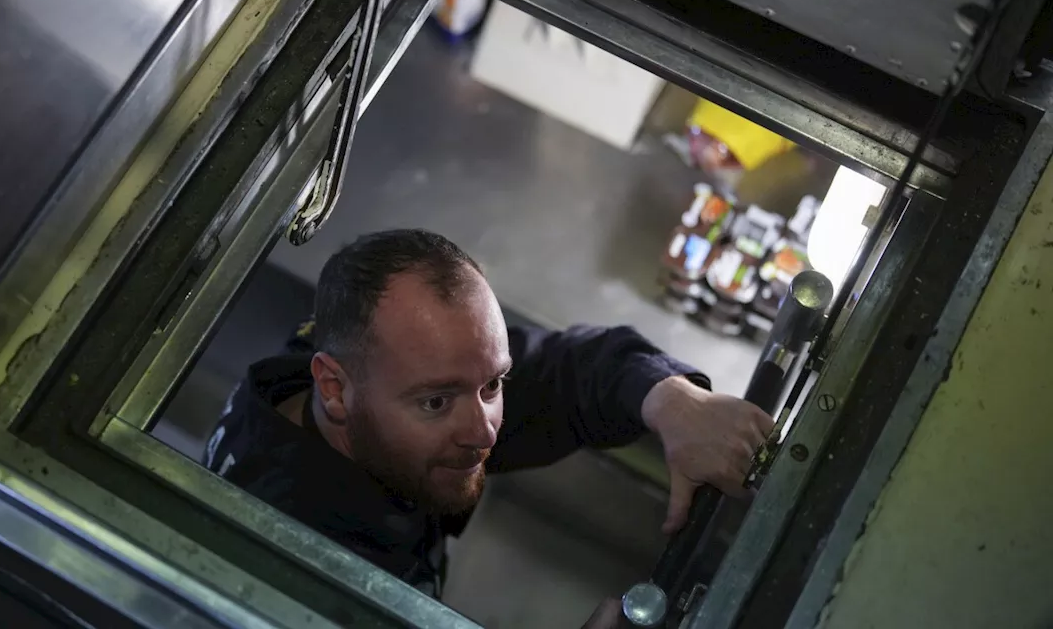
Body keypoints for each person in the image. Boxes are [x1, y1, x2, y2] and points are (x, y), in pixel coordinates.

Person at [204, 229, 773, 607]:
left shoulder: (366, 379)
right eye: (437, 402)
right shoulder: (286, 572)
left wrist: (670, 398)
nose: (483, 432)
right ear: (334, 387)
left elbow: (562, 370)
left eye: (492, 385)